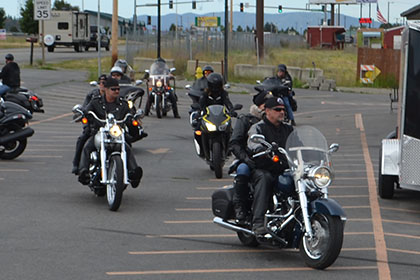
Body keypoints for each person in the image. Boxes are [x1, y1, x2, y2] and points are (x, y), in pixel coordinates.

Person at [78, 77, 143, 188]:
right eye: (113, 89)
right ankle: (83, 172)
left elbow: (129, 113)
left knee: (127, 148)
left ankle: (134, 174)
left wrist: (132, 118)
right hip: (99, 132)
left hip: (116, 133)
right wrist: (85, 114)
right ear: (107, 90)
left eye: (118, 89)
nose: (117, 91)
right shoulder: (96, 101)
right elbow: (87, 110)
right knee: (87, 147)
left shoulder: (123, 103)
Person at [247, 97, 293, 235]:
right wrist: (259, 148)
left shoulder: (288, 129)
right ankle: (258, 222)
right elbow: (252, 141)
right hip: (263, 167)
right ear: (267, 111)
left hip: (284, 168)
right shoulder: (258, 127)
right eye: (277, 109)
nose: (282, 112)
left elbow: (299, 144)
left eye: (283, 110)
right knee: (265, 179)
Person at [229, 90, 270, 223]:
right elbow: (235, 143)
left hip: (269, 160)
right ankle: (239, 206)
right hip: (247, 158)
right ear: (259, 105)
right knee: (243, 171)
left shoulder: (274, 121)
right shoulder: (246, 120)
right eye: (265, 104)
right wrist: (245, 158)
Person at [71, 75, 107, 174]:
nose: (103, 85)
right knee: (83, 139)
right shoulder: (93, 96)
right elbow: (85, 108)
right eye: (101, 82)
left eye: (105, 83)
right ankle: (77, 165)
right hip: (94, 125)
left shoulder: (112, 97)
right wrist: (83, 115)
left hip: (109, 126)